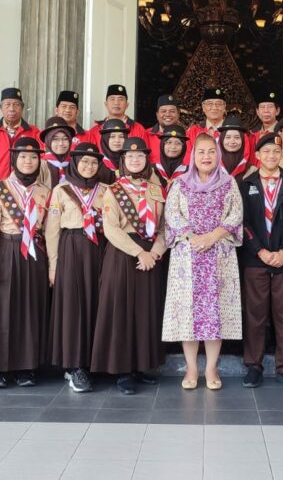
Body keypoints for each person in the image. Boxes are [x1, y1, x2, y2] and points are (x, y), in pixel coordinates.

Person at [163, 134, 243, 391]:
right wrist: (193, 237)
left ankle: (211, 367)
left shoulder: (228, 183)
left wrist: (212, 236)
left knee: (214, 312)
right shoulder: (180, 183)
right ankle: (191, 367)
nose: (206, 156)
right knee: (188, 312)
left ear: (218, 155)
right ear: (193, 156)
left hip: (219, 255)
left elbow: (236, 214)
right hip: (187, 257)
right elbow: (171, 214)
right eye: (201, 152)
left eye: (211, 151)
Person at [91, 137, 167, 395]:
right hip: (123, 254)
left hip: (152, 255)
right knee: (121, 311)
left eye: (140, 156)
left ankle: (141, 366)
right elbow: (111, 229)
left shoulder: (156, 190)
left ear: (147, 160)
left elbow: (165, 226)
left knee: (145, 311)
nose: (135, 160)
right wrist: (139, 252)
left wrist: (155, 252)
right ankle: (123, 371)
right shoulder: (113, 190)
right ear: (123, 160)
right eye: (130, 156)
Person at [0, 136, 51, 389]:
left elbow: (50, 231)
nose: (28, 161)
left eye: (33, 157)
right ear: (14, 160)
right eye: (23, 157)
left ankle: (25, 366)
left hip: (35, 253)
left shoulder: (45, 192)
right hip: (6, 250)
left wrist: (52, 264)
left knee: (30, 309)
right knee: (1, 310)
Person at [239, 133, 283, 389]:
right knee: (255, 315)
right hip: (255, 259)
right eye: (266, 152)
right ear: (257, 155)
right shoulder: (246, 184)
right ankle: (253, 366)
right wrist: (260, 251)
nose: (271, 156)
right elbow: (242, 222)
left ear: (281, 155)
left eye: (276, 152)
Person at [45, 142, 108, 393]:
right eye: (84, 162)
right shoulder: (61, 190)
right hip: (71, 247)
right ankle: (74, 365)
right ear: (74, 163)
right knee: (73, 306)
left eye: (94, 162)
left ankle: (95, 361)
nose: (89, 166)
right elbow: (52, 230)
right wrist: (53, 265)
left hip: (99, 249)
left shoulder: (106, 190)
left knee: (97, 303)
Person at [0, 87, 41, 181]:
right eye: (7, 104)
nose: (12, 109)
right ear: (1, 108)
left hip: (25, 186)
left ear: (22, 108)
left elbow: (42, 161)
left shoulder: (34, 132)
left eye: (16, 105)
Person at [84, 83, 150, 148]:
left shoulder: (138, 129)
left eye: (121, 99)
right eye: (112, 99)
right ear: (106, 104)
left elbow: (144, 153)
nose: (116, 103)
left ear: (127, 105)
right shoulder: (95, 131)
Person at [39, 117, 75, 188]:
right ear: (48, 141)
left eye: (65, 139)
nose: (61, 143)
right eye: (55, 139)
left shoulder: (75, 163)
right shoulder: (40, 165)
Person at [217, 115, 254, 179]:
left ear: (242, 140)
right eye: (228, 137)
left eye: (237, 137)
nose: (232, 141)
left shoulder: (251, 170)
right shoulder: (213, 167)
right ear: (222, 139)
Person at [147, 94, 181, 162]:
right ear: (157, 115)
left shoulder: (187, 136)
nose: (167, 114)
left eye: (172, 111)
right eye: (163, 111)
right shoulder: (146, 135)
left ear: (178, 114)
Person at [154, 125, 189, 190]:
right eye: (169, 142)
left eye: (178, 143)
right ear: (162, 145)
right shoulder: (152, 170)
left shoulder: (189, 172)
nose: (173, 147)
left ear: (184, 147)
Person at [98, 118, 129, 183]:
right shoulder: (97, 164)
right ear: (105, 139)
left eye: (121, 136)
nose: (117, 140)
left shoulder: (133, 162)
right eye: (112, 136)